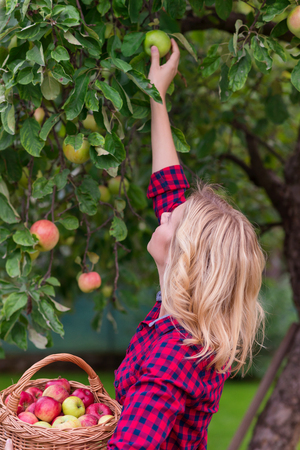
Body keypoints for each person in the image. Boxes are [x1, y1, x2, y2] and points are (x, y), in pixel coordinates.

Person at [5, 39, 265, 450]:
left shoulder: (169, 358)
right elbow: (169, 186)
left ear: (184, 260)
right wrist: (156, 95)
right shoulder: (183, 319)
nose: (165, 212)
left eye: (172, 220)